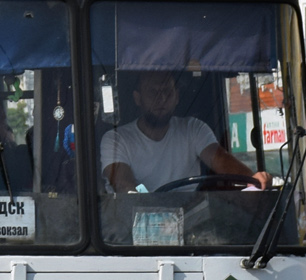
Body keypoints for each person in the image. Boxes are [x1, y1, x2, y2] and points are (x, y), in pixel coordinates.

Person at [101, 71, 271, 193]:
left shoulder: (193, 129)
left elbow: (220, 160)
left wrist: (253, 179)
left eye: (167, 91)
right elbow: (123, 185)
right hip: (132, 231)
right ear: (138, 98)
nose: (161, 99)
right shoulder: (116, 140)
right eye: (153, 92)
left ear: (177, 97)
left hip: (192, 225)